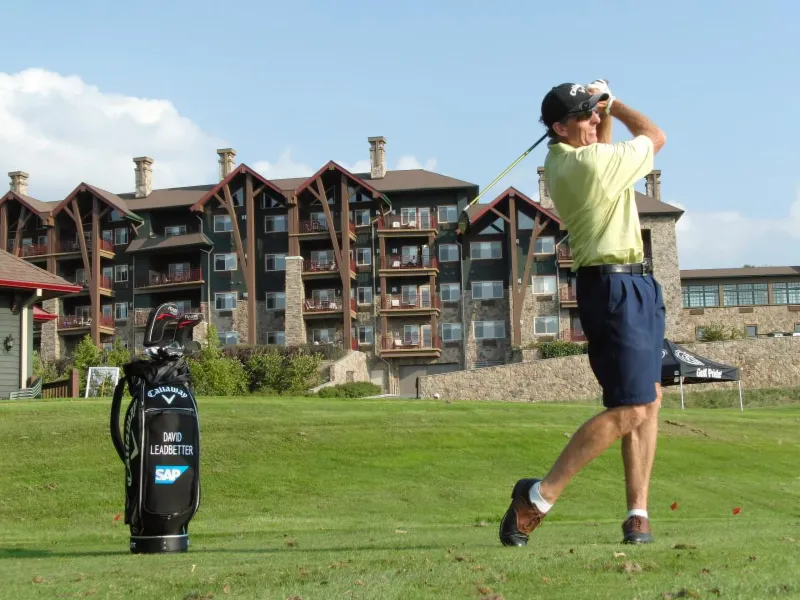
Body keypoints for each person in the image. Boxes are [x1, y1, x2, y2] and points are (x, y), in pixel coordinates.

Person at [499, 80, 667, 546]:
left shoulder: (569, 156)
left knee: (647, 399)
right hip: (614, 286)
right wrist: (617, 102)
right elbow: (655, 136)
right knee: (631, 408)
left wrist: (600, 110)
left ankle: (638, 514)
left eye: (595, 112)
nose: (595, 120)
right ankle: (538, 497)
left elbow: (606, 142)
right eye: (586, 115)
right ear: (559, 126)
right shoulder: (589, 165)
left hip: (635, 283)